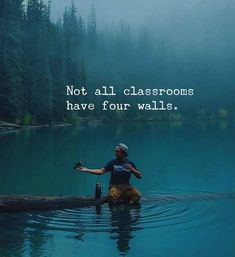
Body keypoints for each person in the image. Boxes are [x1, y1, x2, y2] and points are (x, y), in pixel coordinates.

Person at [77, 143, 142, 204]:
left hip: (127, 186)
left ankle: (126, 207)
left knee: (137, 196)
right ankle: (116, 210)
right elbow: (101, 171)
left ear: (123, 153)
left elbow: (139, 176)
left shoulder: (130, 163)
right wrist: (87, 170)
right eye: (115, 151)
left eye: (117, 152)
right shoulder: (112, 163)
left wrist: (132, 169)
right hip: (115, 186)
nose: (115, 153)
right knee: (112, 197)